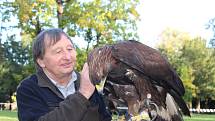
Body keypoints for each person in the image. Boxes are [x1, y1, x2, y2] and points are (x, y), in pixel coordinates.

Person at [16, 28, 112, 121]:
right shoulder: (28, 88)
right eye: (58, 52)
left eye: (70, 49)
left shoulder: (87, 81)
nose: (67, 57)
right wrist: (83, 95)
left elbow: (105, 118)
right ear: (41, 61)